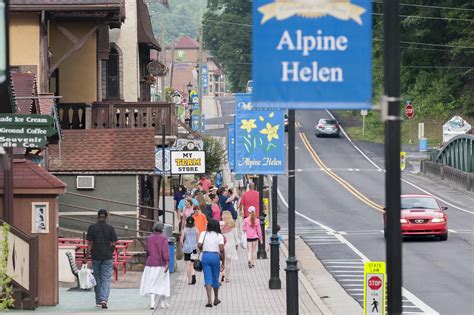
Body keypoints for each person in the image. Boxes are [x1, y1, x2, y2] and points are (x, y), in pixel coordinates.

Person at [83, 209, 118, 309]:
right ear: (106, 217)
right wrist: (110, 251)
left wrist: (86, 257)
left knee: (97, 278)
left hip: (96, 256)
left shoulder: (92, 228)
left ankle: (98, 301)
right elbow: (114, 243)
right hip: (107, 256)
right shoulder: (110, 228)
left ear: (98, 216)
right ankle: (104, 299)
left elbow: (90, 244)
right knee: (106, 279)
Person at [140, 222, 170, 309]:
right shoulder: (164, 238)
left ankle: (152, 302)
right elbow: (165, 252)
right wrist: (167, 261)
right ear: (161, 229)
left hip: (151, 263)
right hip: (161, 264)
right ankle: (163, 302)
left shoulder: (149, 238)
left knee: (152, 282)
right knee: (163, 282)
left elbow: (148, 251)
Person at [198, 219, 225, 308]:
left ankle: (209, 300)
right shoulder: (219, 236)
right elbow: (221, 249)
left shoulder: (203, 234)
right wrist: (223, 262)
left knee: (207, 278)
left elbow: (199, 245)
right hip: (215, 256)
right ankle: (216, 298)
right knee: (215, 278)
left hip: (205, 256)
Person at [220, 211, 239, 283]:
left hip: (222, 245)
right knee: (228, 262)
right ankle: (227, 277)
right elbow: (236, 236)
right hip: (230, 245)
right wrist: (237, 244)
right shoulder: (232, 225)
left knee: (222, 262)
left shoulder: (221, 224)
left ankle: (221, 275)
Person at [180, 216, 198, 285]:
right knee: (192, 263)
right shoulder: (196, 229)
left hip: (187, 248)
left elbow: (181, 240)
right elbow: (197, 240)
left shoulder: (184, 230)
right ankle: (193, 274)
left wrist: (183, 245)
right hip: (194, 248)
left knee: (187, 264)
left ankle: (189, 280)